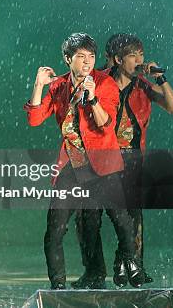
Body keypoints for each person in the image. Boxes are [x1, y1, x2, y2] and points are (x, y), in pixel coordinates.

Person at [24, 32, 142, 289]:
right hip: (72, 164)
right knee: (56, 227)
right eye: (81, 57)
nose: (87, 62)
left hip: (103, 162)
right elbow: (34, 119)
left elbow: (106, 125)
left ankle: (131, 261)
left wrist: (93, 99)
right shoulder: (59, 86)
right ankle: (58, 286)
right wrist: (38, 85)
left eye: (91, 56)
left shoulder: (105, 83)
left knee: (121, 219)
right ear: (68, 59)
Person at [73, 33, 173, 288]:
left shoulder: (143, 85)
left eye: (141, 55)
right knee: (88, 215)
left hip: (132, 158)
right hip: (100, 156)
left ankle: (131, 266)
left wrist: (160, 77)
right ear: (118, 59)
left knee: (133, 215)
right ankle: (94, 271)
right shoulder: (98, 80)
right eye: (134, 55)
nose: (139, 60)